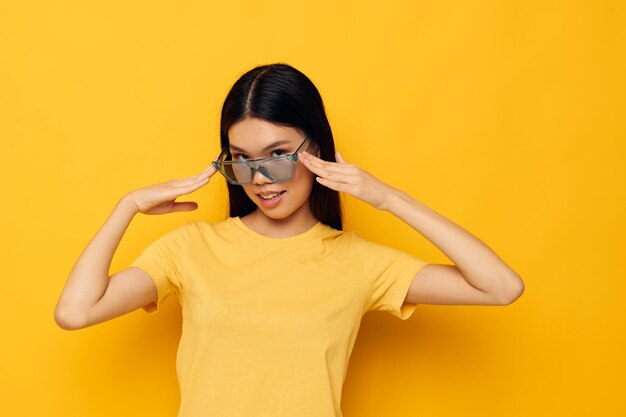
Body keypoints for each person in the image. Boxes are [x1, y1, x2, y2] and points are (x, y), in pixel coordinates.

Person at [54, 63, 524, 417]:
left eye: (278, 155)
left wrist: (389, 198)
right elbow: (76, 312)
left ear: (315, 149)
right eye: (241, 159)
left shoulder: (358, 261)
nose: (260, 179)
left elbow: (500, 287)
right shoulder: (190, 248)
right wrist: (128, 206)